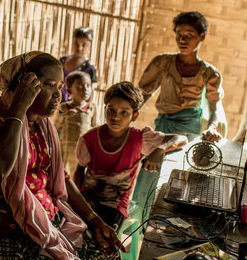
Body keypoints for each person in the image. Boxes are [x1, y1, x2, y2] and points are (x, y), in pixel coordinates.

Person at [0, 52, 124, 260]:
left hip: (42, 223)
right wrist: (18, 108)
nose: (59, 94)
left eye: (60, 86)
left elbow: (61, 177)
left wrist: (94, 220)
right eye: (50, 84)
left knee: (106, 255)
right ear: (24, 86)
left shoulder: (41, 124)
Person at [132, 11, 224, 219]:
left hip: (189, 135)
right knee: (148, 181)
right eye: (179, 35)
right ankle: (140, 227)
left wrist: (212, 127)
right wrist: (130, 114)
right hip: (163, 130)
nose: (182, 40)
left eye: (189, 35)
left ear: (202, 36)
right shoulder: (162, 63)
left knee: (174, 185)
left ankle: (164, 226)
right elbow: (142, 94)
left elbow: (214, 106)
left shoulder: (210, 73)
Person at [74, 82, 187, 231]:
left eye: (124, 112)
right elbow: (79, 171)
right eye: (111, 110)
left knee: (101, 236)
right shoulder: (89, 139)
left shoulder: (140, 139)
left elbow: (181, 138)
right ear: (105, 109)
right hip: (87, 201)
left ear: (134, 116)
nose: (116, 117)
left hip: (114, 206)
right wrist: (77, 200)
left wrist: (160, 149)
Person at [53, 71, 96, 173]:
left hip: (85, 151)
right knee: (66, 175)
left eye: (88, 85)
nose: (86, 89)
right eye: (80, 86)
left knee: (80, 175)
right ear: (69, 90)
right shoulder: (63, 108)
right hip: (66, 151)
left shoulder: (91, 109)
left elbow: (95, 129)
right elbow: (54, 128)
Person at [60, 26, 97, 101]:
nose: (79, 48)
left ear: (89, 47)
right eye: (76, 43)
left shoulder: (89, 67)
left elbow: (90, 92)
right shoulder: (62, 60)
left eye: (84, 45)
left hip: (76, 108)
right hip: (57, 103)